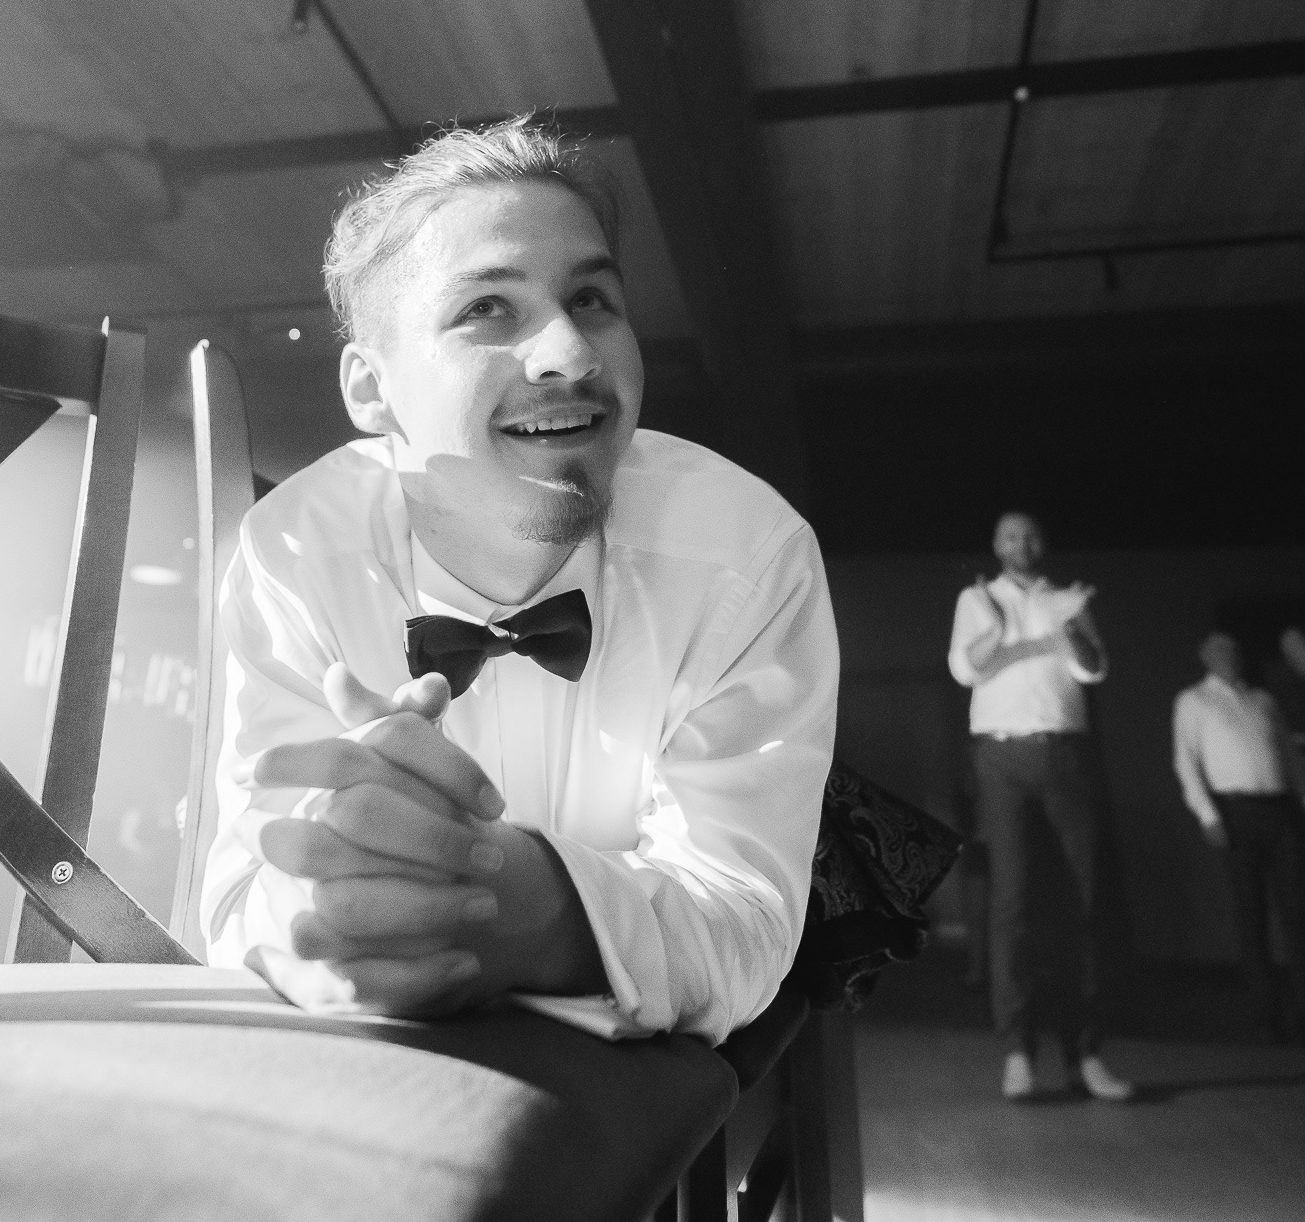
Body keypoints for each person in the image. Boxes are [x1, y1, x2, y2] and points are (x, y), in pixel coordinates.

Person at [200, 119, 838, 1044]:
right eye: (487, 309)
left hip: (662, 1066)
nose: (571, 355)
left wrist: (525, 905)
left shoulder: (746, 551)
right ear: (371, 390)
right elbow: (237, 911)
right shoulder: (292, 552)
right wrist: (329, 904)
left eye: (591, 299)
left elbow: (743, 922)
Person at [948, 513, 1132, 1101]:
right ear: (995, 544)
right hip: (1001, 757)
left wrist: (1069, 630)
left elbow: (1093, 668)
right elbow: (966, 668)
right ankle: (1018, 1051)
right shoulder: (977, 598)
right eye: (1009, 535)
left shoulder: (1066, 599)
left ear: (1041, 543)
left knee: (1081, 897)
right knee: (1013, 899)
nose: (1020, 543)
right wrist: (1015, 634)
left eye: (1029, 534)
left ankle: (1087, 1053)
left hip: (1063, 753)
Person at [1173, 632, 1305, 1040]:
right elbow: (1186, 760)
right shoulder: (1194, 700)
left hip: (1278, 808)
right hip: (1235, 812)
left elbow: (1287, 754)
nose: (1228, 655)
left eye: (1232, 649)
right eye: (1218, 650)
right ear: (1205, 657)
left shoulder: (1263, 700)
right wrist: (1207, 815)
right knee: (1251, 913)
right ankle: (1266, 1013)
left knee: (1298, 909)